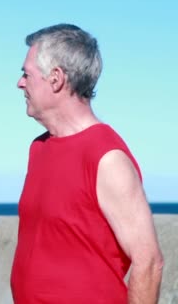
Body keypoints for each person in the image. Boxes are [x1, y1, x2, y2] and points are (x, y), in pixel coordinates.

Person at [10, 24, 164, 303]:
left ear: (55, 79)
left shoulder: (106, 157)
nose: (20, 83)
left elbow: (149, 262)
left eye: (26, 74)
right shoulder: (39, 148)